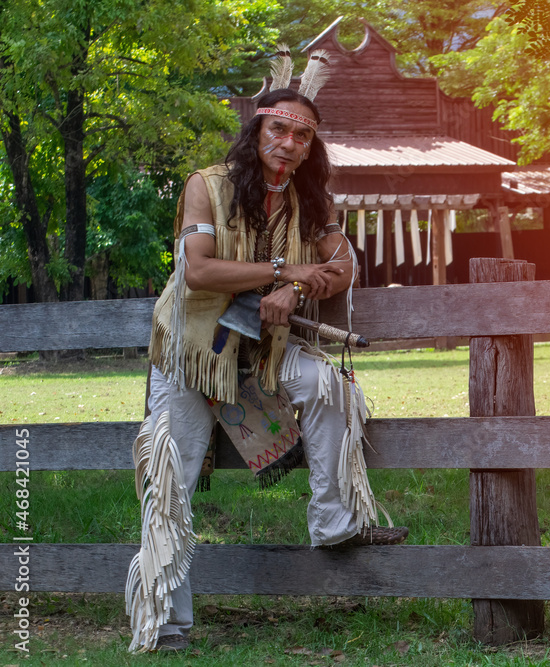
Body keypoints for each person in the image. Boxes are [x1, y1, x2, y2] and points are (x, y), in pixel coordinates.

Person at [125, 81, 407, 654]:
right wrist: (285, 274)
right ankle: (164, 623)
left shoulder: (309, 200)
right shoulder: (207, 186)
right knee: (171, 480)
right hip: (193, 354)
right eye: (280, 129)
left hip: (263, 354)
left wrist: (305, 281)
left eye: (303, 135)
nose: (290, 143)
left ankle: (334, 521)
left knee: (332, 385)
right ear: (256, 129)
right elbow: (200, 272)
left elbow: (342, 265)